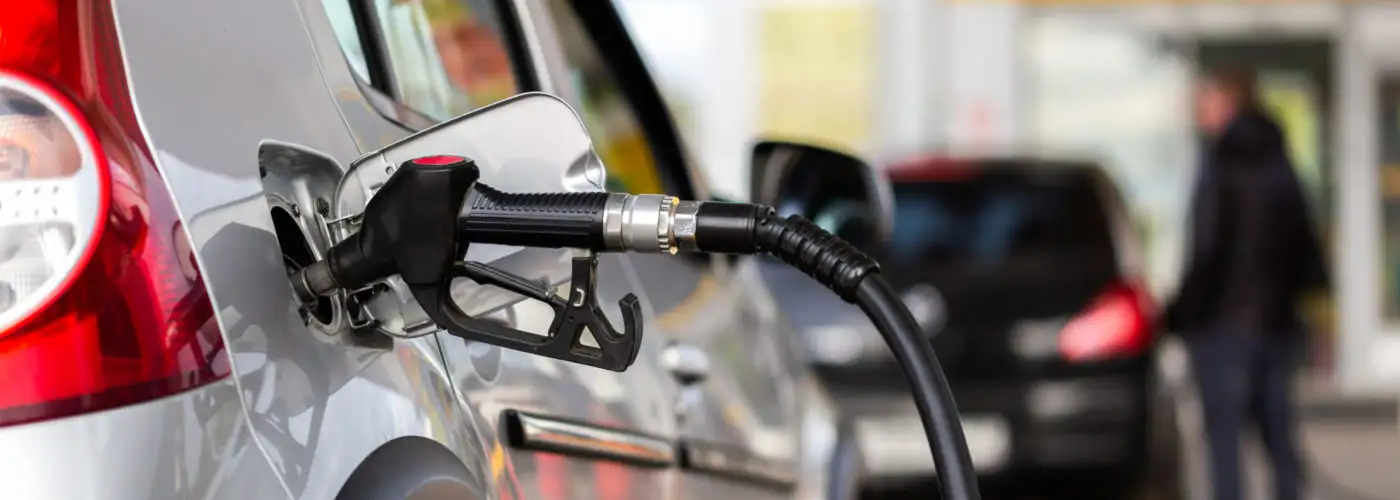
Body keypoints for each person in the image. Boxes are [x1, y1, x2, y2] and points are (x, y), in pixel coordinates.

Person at [1165, 68, 1329, 500]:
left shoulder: (1219, 162)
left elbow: (1207, 249)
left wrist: (1181, 313)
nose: (1198, 110)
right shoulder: (1280, 160)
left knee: (1224, 440)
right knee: (1277, 432)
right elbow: (1306, 243)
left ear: (1227, 101)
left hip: (1224, 325)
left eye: (1204, 99)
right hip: (1276, 321)